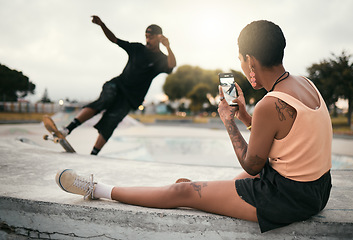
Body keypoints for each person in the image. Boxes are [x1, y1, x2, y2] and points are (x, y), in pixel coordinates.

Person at [55, 20, 332, 233]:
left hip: (287, 198)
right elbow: (287, 135)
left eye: (240, 59)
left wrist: (229, 122)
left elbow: (252, 165)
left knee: (184, 193)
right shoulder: (304, 83)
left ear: (250, 60)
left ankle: (97, 189)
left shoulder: (270, 105)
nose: (241, 64)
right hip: (318, 190)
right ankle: (208, 191)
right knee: (232, 183)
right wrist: (246, 116)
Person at [61, 16, 176, 155]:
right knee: (104, 101)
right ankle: (67, 130)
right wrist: (102, 24)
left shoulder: (161, 59)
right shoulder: (137, 48)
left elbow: (171, 66)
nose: (147, 40)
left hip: (131, 98)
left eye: (150, 37)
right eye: (146, 36)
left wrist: (168, 47)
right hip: (117, 85)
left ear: (159, 38)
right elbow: (115, 39)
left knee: (111, 122)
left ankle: (93, 154)